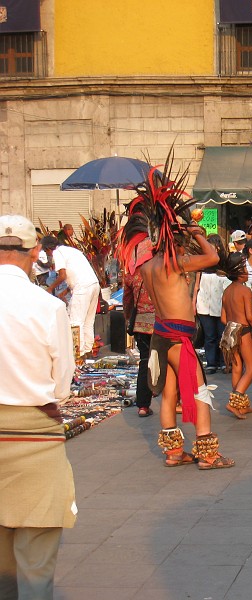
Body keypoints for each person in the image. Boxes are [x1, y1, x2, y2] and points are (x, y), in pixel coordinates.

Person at [117, 164, 234, 470]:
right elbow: (213, 258)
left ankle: (173, 453)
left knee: (168, 393)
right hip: (180, 337)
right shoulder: (175, 263)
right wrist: (199, 234)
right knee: (198, 392)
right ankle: (208, 453)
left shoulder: (147, 266)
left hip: (160, 334)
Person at [0, 215, 77, 599]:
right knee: (35, 569)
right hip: (34, 438)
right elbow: (61, 384)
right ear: (34, 253)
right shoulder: (47, 307)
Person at [220, 252, 252, 419]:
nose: (247, 271)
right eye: (244, 268)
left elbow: (223, 318)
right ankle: (234, 402)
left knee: (237, 368)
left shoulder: (226, 291)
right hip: (243, 331)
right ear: (238, 271)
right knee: (251, 368)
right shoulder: (245, 290)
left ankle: (241, 405)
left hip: (229, 331)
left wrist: (233, 326)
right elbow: (250, 316)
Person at [41, 235, 101, 359]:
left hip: (82, 287)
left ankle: (78, 355)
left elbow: (62, 275)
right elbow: (77, 272)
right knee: (88, 321)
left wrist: (50, 288)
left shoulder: (58, 253)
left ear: (48, 249)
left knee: (76, 321)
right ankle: (88, 351)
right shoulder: (71, 250)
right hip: (94, 284)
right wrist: (67, 290)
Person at [122, 242, 157, 417]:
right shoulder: (162, 269)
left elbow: (127, 301)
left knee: (145, 361)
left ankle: (143, 405)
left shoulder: (132, 274)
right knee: (171, 361)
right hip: (163, 321)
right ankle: (176, 400)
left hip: (141, 324)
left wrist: (128, 318)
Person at [194, 235, 230, 375]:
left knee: (222, 335)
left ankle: (223, 362)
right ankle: (211, 363)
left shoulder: (224, 265)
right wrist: (194, 304)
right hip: (204, 306)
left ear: (218, 247)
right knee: (209, 336)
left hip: (220, 306)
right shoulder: (202, 265)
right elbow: (196, 286)